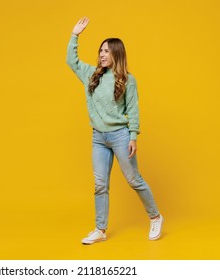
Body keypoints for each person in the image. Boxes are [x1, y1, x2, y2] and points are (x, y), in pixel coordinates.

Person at [66, 17, 163, 245]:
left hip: (120, 136)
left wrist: (133, 136)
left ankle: (155, 216)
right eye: (100, 50)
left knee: (133, 179)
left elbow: (134, 110)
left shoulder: (128, 80)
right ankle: (100, 229)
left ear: (116, 54)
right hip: (98, 137)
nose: (101, 54)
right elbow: (71, 61)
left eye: (106, 51)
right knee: (100, 184)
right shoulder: (92, 74)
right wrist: (74, 35)